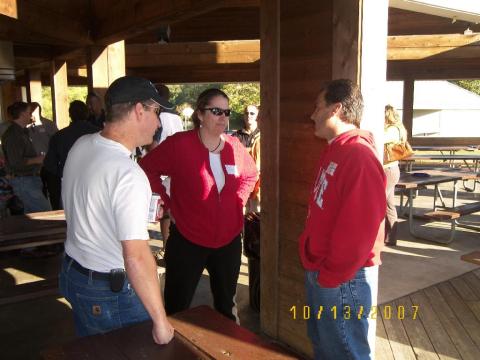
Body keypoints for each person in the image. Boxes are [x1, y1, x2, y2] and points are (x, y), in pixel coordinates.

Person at [59, 76, 174, 344]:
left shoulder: (83, 144)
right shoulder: (128, 174)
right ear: (138, 110)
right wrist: (161, 320)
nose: (158, 123)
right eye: (156, 112)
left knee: (94, 349)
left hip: (73, 272)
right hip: (107, 292)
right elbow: (136, 258)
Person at [139, 88, 258, 322]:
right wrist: (167, 202)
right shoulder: (180, 144)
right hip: (187, 241)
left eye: (226, 112)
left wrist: (238, 201)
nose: (223, 117)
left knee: (226, 306)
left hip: (228, 242)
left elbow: (250, 175)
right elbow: (147, 168)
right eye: (216, 111)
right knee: (177, 306)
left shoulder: (235, 146)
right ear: (200, 115)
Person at [298, 79, 386, 360]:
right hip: (324, 271)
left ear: (336, 109)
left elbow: (360, 230)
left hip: (342, 279)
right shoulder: (335, 148)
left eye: (317, 106)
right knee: (325, 348)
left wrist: (330, 277)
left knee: (346, 352)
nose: (313, 114)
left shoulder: (358, 155)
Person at [43, 100, 98, 209]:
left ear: (70, 115)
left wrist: (62, 173)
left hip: (70, 182)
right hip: (96, 181)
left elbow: (50, 165)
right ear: (87, 113)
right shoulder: (99, 133)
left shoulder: (59, 136)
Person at [148, 84, 184, 243]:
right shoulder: (176, 117)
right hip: (174, 168)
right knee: (172, 209)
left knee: (162, 211)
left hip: (159, 171)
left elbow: (153, 147)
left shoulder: (159, 117)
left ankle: (166, 245)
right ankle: (170, 245)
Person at [1, 101, 51, 213]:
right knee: (46, 214)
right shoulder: (14, 135)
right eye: (29, 112)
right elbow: (15, 162)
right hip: (24, 180)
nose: (31, 115)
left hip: (27, 180)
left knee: (32, 217)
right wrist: (37, 159)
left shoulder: (21, 132)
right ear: (22, 114)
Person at [383, 105, 407, 247]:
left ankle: (380, 237)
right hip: (391, 169)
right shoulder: (397, 128)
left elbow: (377, 138)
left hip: (388, 170)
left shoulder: (392, 130)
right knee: (388, 205)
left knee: (380, 204)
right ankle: (390, 238)